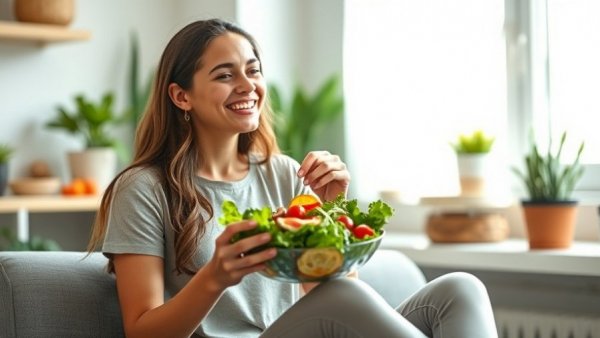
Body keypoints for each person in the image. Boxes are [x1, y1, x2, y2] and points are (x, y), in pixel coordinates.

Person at [87, 18, 498, 338]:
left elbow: (330, 292)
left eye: (253, 70)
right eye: (225, 75)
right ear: (181, 96)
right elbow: (141, 331)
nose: (248, 85)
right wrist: (213, 277)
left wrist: (333, 209)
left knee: (460, 289)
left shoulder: (283, 173)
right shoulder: (143, 188)